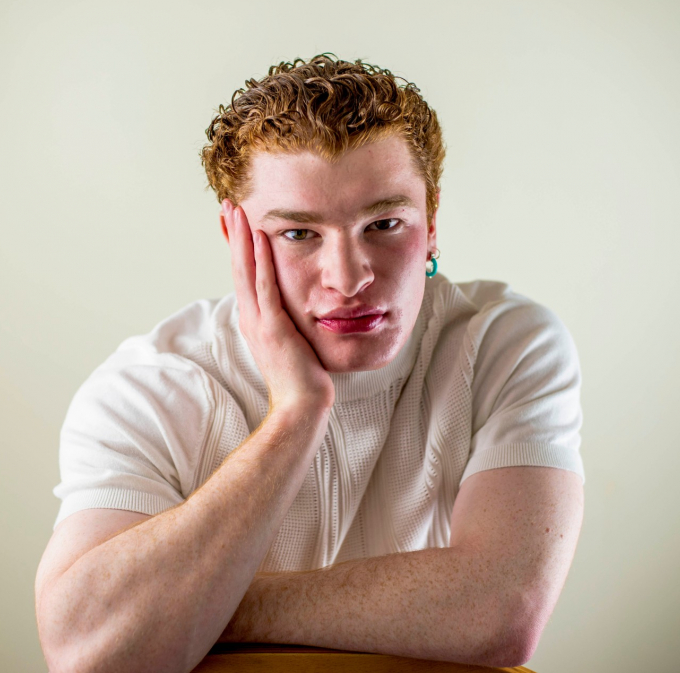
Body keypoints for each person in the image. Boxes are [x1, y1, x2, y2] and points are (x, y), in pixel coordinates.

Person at [35, 53, 585, 672]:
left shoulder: (503, 345)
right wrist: (296, 413)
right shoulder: (153, 387)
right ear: (235, 235)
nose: (349, 279)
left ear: (431, 222)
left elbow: (502, 613)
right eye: (299, 234)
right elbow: (89, 653)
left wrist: (205, 603)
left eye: (384, 223)